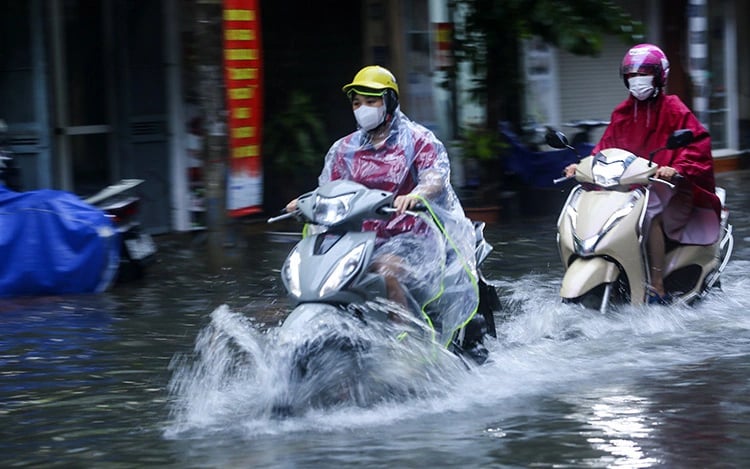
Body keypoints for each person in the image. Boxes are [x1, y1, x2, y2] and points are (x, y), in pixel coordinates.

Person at [286, 65, 479, 345]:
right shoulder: (344, 149)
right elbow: (329, 188)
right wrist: (305, 202)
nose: (362, 108)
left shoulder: (418, 140)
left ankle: (404, 342)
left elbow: (435, 176)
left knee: (387, 269)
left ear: (389, 101)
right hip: (358, 241)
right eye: (357, 103)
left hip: (410, 239)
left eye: (371, 101)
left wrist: (417, 194)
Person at [563, 43, 721, 304]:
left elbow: (696, 143)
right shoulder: (622, 113)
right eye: (632, 76)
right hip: (627, 189)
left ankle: (657, 287)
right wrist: (582, 166)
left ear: (659, 77)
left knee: (649, 218)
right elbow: (604, 148)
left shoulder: (674, 108)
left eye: (643, 74)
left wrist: (676, 168)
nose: (638, 81)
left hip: (668, 189)